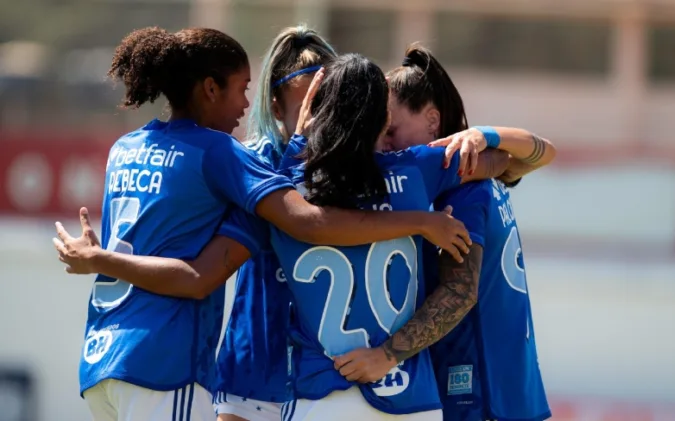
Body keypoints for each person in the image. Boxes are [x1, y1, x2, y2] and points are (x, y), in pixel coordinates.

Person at [55, 53, 511, 420]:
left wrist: (298, 142)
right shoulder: (419, 168)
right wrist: (469, 153)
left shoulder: (274, 177)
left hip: (309, 390)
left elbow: (309, 220)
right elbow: (515, 161)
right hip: (406, 395)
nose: (244, 105)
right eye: (242, 89)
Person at [336, 44, 556, 421]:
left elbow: (460, 291)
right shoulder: (475, 170)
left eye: (390, 131)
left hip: (478, 390)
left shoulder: (464, 185)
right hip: (511, 386)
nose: (383, 145)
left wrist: (385, 357)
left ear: (433, 121)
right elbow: (533, 155)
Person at [212, 26, 337, 421]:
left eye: (328, 107)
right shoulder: (249, 160)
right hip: (251, 371)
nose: (316, 122)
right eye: (305, 109)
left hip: (323, 380)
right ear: (276, 107)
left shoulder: (351, 168)